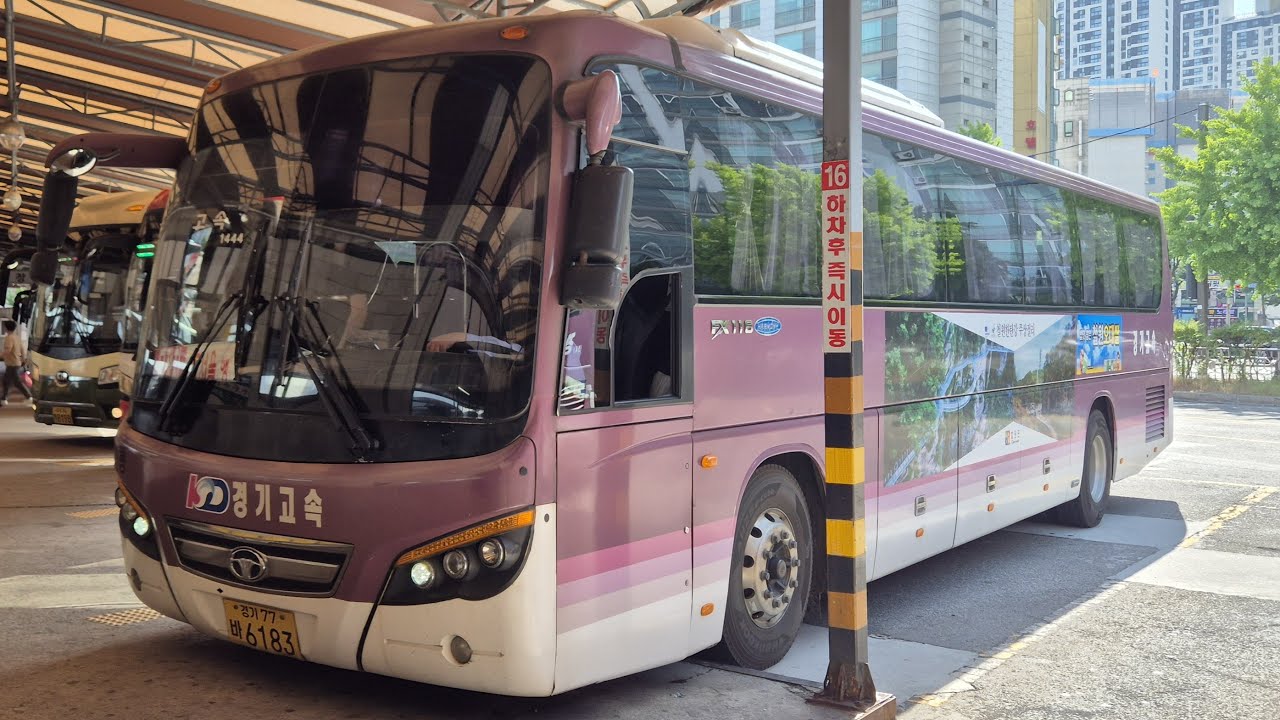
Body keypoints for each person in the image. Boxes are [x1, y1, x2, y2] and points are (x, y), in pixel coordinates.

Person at [2, 319, 30, 406]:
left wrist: (1, 355)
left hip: (12, 363)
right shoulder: (17, 338)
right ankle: (3, 399)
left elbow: (8, 350)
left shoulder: (9, 338)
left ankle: (29, 397)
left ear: (6, 328)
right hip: (16, 362)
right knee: (6, 381)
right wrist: (24, 360)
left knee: (16, 382)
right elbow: (23, 350)